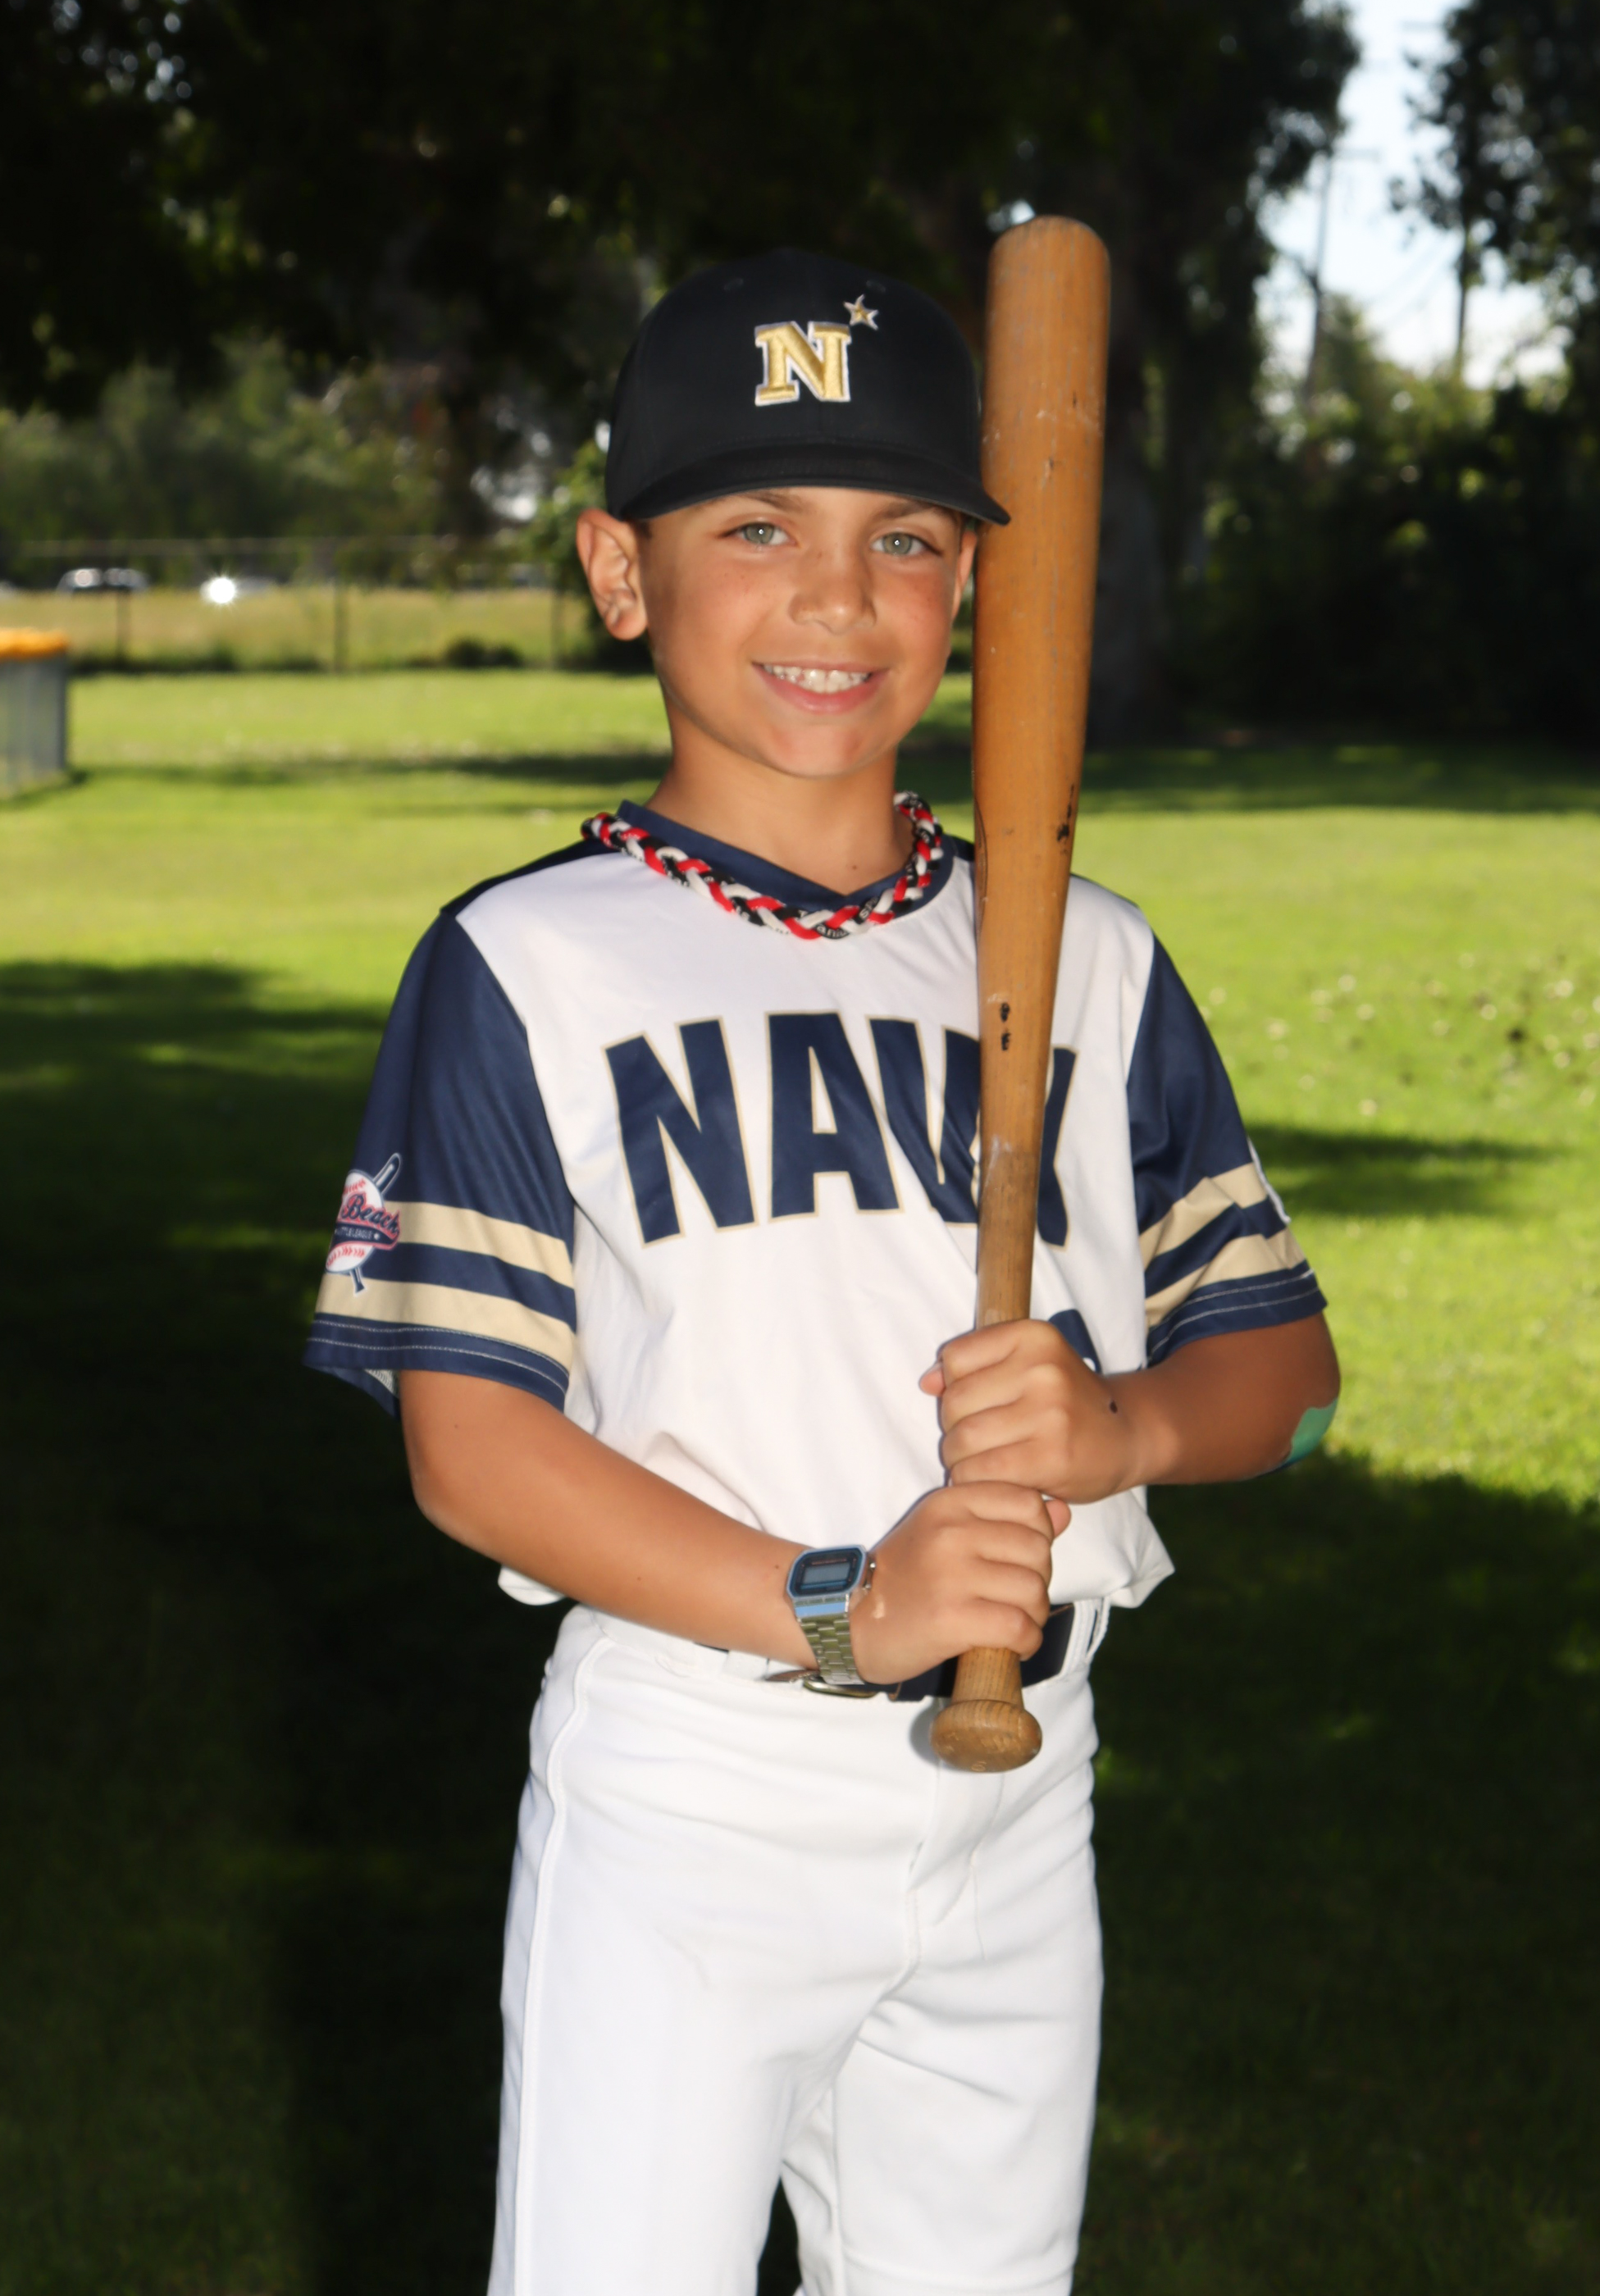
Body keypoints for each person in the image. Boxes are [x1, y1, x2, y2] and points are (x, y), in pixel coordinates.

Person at [305, 248, 1339, 2296]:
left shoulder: (1093, 957)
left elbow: (1288, 1381)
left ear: (980, 586)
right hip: (703, 1783)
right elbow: (471, 1452)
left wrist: (1121, 1426)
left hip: (1024, 1795)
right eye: (758, 528)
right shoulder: (528, 963)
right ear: (622, 569)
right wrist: (838, 1602)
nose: (839, 599)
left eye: (906, 537)